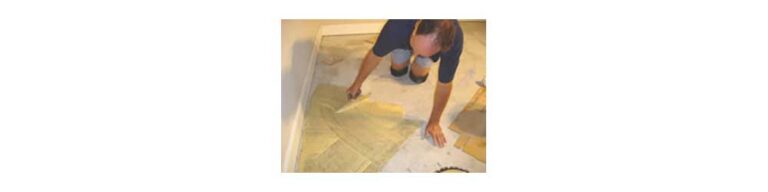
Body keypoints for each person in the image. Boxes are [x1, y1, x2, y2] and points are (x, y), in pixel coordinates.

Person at [346, 19, 463, 148]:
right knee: (397, 71)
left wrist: (434, 121)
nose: (416, 54)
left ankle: (423, 57)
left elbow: (445, 84)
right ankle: (407, 50)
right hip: (404, 38)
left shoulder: (454, 39)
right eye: (416, 48)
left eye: (423, 53)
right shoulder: (397, 26)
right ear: (416, 26)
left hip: (420, 42)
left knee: (417, 77)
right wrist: (357, 83)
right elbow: (375, 55)